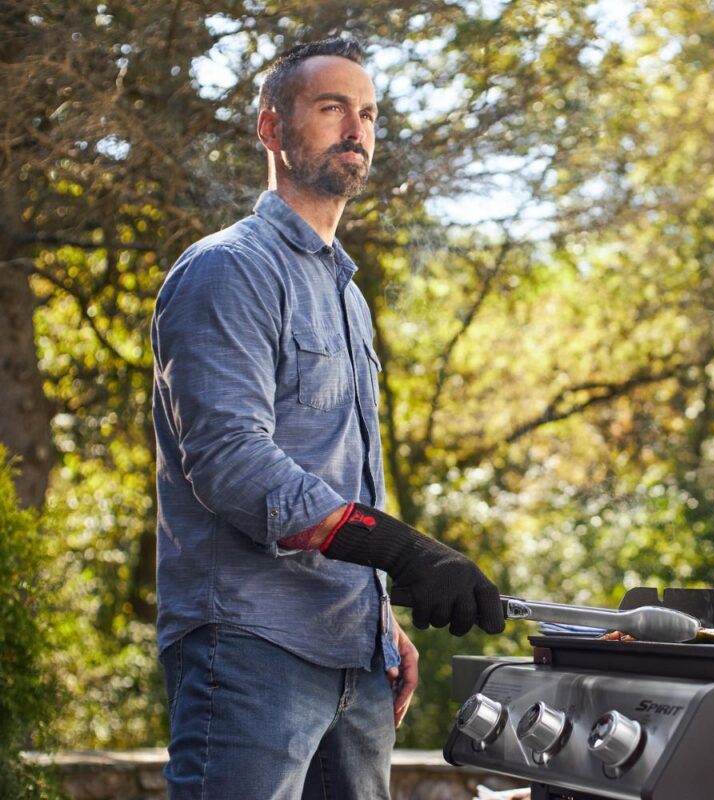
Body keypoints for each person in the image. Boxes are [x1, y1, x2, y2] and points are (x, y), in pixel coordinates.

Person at [151, 37, 505, 799]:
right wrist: (403, 551)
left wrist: (378, 615)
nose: (356, 129)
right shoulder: (228, 269)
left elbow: (335, 469)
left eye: (368, 113)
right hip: (251, 648)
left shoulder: (347, 295)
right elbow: (233, 464)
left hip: (357, 658)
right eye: (332, 108)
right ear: (271, 128)